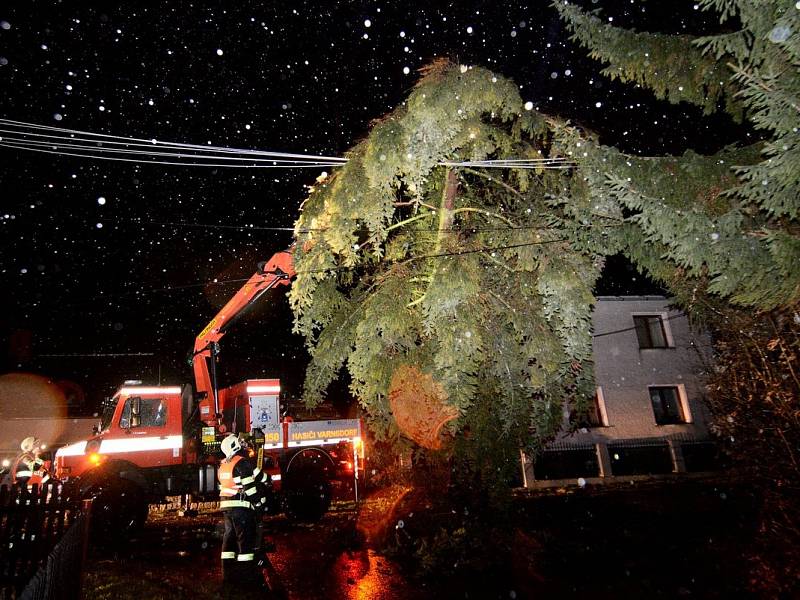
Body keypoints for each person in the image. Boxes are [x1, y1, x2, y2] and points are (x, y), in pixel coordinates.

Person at [217, 433, 270, 592]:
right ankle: (246, 578)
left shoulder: (224, 464)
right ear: (235, 445)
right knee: (244, 543)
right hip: (240, 508)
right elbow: (250, 487)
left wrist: (267, 478)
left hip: (227, 508)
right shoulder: (242, 462)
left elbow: (257, 474)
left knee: (229, 539)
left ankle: (228, 576)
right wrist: (259, 503)